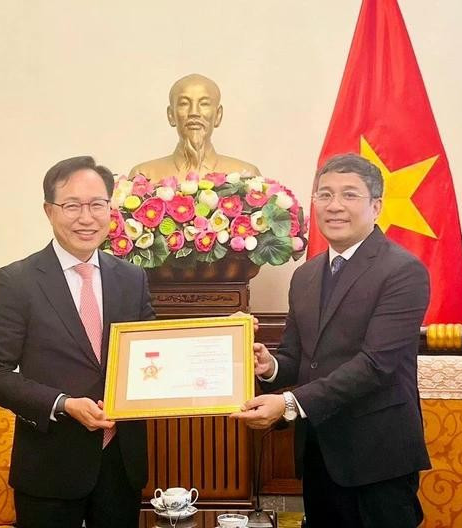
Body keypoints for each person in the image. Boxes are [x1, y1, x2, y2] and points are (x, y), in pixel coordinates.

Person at [232, 153, 431, 527]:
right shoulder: (306, 276)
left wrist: (289, 404)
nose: (334, 206)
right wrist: (269, 364)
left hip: (378, 455)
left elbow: (375, 366)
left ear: (376, 206)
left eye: (349, 195)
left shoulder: (403, 271)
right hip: (320, 449)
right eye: (324, 195)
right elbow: (297, 354)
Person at [0, 156, 154, 528]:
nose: (86, 218)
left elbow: (151, 353)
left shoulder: (132, 278)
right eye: (72, 206)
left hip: (121, 463)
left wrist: (220, 341)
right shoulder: (17, 281)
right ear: (49, 210)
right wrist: (64, 404)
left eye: (97, 205)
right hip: (50, 467)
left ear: (111, 208)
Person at [128, 73, 261, 182]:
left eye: (204, 104)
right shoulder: (144, 176)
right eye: (184, 103)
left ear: (218, 115)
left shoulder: (246, 176)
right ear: (171, 115)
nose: (194, 112)